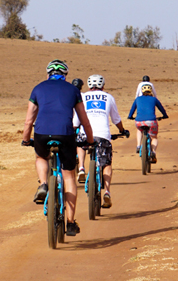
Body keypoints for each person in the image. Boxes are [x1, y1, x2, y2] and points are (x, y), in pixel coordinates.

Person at [22, 60, 93, 236]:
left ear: (48, 74)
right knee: (69, 175)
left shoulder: (38, 88)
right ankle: (70, 222)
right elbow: (84, 120)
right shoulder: (73, 90)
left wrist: (25, 139)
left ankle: (44, 184)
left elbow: (29, 120)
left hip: (42, 133)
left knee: (41, 157)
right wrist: (90, 141)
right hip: (65, 134)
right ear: (65, 75)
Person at [73, 74, 129, 209]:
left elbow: (76, 122)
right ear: (103, 85)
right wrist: (122, 130)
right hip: (103, 135)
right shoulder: (109, 97)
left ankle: (81, 168)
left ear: (88, 85)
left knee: (80, 143)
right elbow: (116, 119)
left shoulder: (82, 96)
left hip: (85, 133)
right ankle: (107, 191)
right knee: (106, 164)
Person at [128, 84, 168, 162]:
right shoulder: (154, 99)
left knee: (139, 130)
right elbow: (161, 109)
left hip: (139, 121)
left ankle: (138, 145)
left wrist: (130, 116)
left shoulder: (137, 99)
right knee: (154, 137)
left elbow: (132, 110)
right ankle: (153, 151)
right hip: (151, 121)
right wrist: (165, 115)